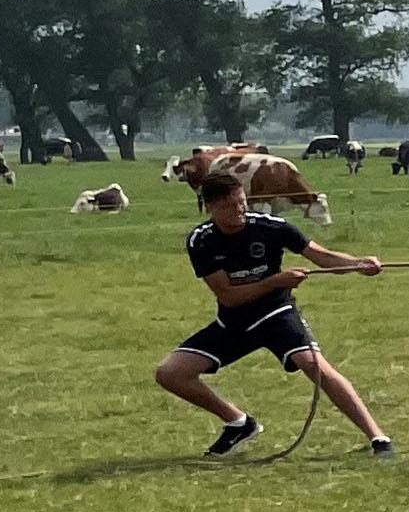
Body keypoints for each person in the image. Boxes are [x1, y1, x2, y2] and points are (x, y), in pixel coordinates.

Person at [157, 169, 395, 457]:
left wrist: (358, 264)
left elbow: (321, 256)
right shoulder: (201, 240)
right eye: (231, 205)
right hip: (234, 322)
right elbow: (229, 296)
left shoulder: (270, 227)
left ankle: (378, 438)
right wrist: (276, 281)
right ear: (211, 207)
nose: (240, 210)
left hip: (277, 314)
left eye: (242, 202)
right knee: (169, 373)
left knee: (314, 365)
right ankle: (238, 423)